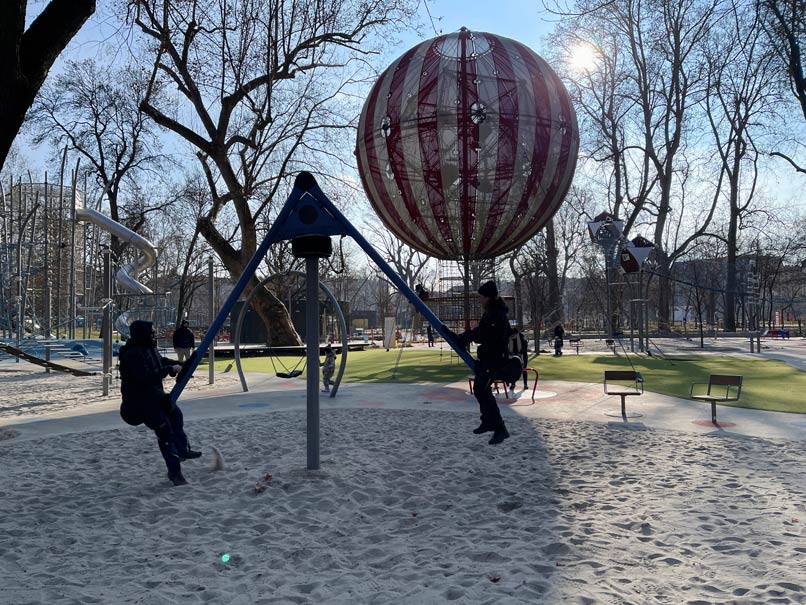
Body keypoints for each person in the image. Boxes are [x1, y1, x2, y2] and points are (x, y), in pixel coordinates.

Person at [119, 320, 201, 486]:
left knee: (175, 414)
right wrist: (169, 370)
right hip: (139, 403)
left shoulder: (148, 347)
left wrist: (178, 364)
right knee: (165, 431)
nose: (154, 334)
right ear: (143, 334)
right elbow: (145, 376)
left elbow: (160, 361)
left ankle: (183, 449)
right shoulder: (132, 354)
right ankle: (175, 473)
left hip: (154, 396)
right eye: (152, 332)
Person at [446, 280, 511, 445]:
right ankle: (488, 421)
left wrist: (463, 338)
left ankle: (500, 429)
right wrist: (462, 337)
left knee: (482, 389)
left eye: (481, 297)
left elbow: (485, 335)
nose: (479, 300)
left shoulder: (496, 314)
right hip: (488, 357)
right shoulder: (491, 312)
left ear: (488, 297)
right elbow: (480, 331)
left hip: (494, 359)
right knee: (480, 390)